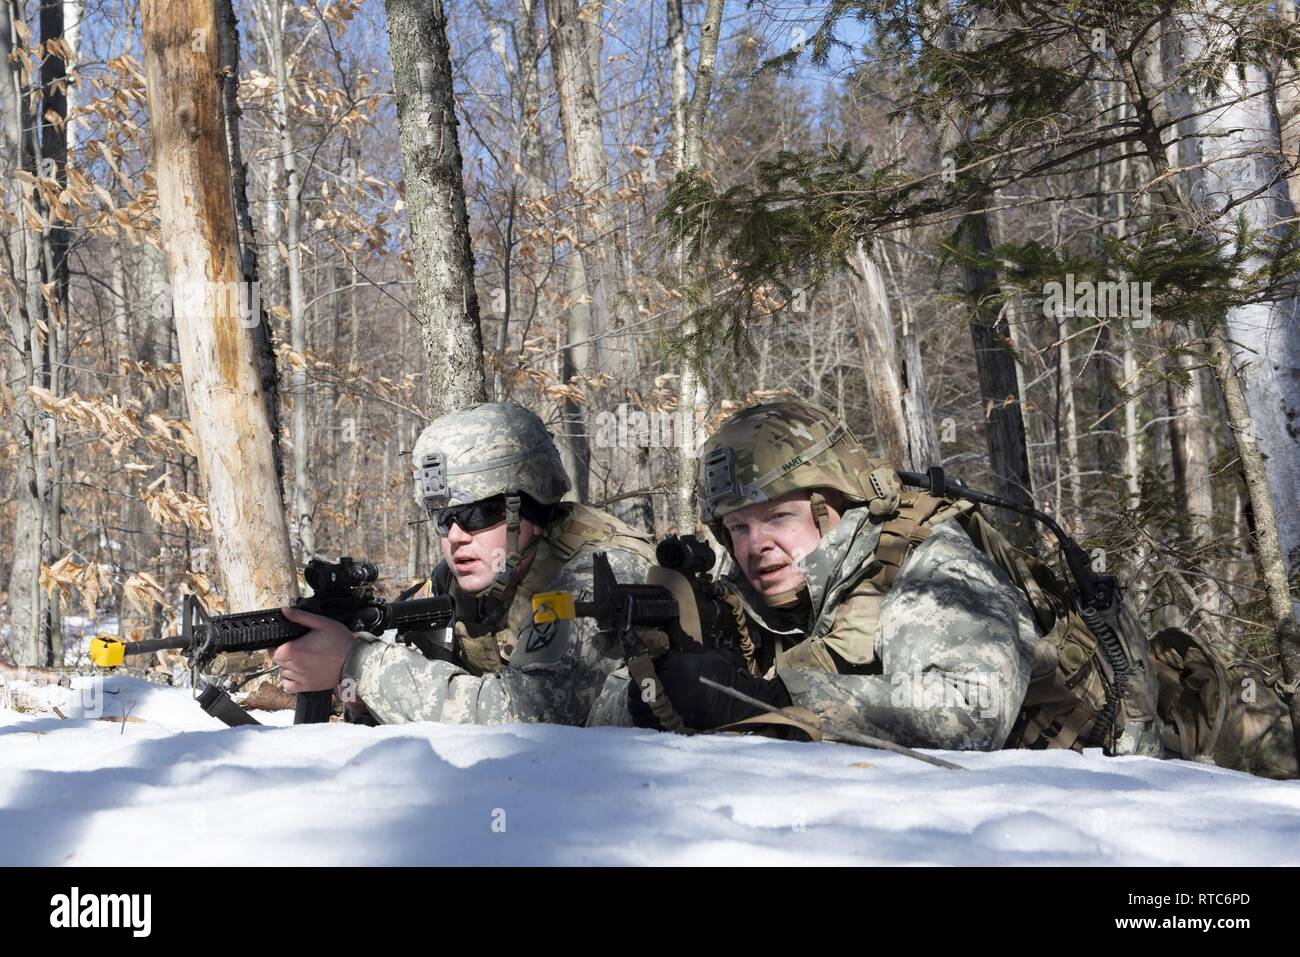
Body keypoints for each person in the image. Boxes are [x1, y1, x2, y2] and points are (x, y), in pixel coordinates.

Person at [605, 398, 1164, 756]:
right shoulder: (752, 602)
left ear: (834, 507)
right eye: (738, 528)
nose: (757, 547)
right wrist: (652, 688)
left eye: (778, 517)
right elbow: (598, 715)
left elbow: (974, 711)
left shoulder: (931, 566)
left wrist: (767, 699)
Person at [273, 401, 659, 726]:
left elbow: (529, 720)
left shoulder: (593, 577)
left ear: (531, 507)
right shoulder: (460, 581)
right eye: (442, 518)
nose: (455, 535)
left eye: (476, 513)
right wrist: (359, 695)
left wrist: (360, 664)